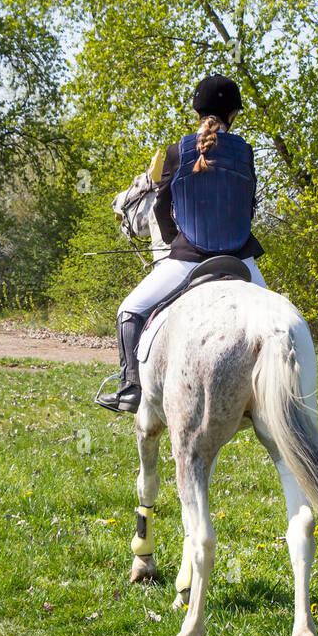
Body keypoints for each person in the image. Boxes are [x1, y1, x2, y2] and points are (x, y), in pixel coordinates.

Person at [96, 74, 268, 414]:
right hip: (241, 261)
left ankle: (131, 388)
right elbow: (248, 207)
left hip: (189, 259)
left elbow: (161, 208)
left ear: (197, 111)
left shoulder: (177, 151)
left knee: (128, 312)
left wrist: (178, 244)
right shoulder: (246, 153)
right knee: (282, 320)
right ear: (233, 115)